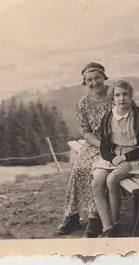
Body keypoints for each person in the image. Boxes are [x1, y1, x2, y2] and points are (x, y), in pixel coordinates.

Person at [92, 79, 139, 238]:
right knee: (97, 182)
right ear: (113, 98)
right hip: (114, 156)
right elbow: (104, 146)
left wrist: (125, 156)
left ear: (131, 95)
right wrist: (113, 158)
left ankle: (115, 223)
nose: (121, 99)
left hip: (136, 157)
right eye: (117, 95)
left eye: (125, 94)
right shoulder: (108, 117)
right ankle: (107, 227)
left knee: (112, 179)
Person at [56, 62, 112, 238]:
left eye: (97, 78)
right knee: (79, 169)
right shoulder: (84, 102)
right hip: (94, 143)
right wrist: (100, 144)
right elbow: (86, 132)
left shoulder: (114, 95)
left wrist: (110, 146)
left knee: (96, 172)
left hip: (117, 144)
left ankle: (95, 219)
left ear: (104, 77)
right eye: (89, 80)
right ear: (85, 83)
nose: (94, 82)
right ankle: (72, 216)